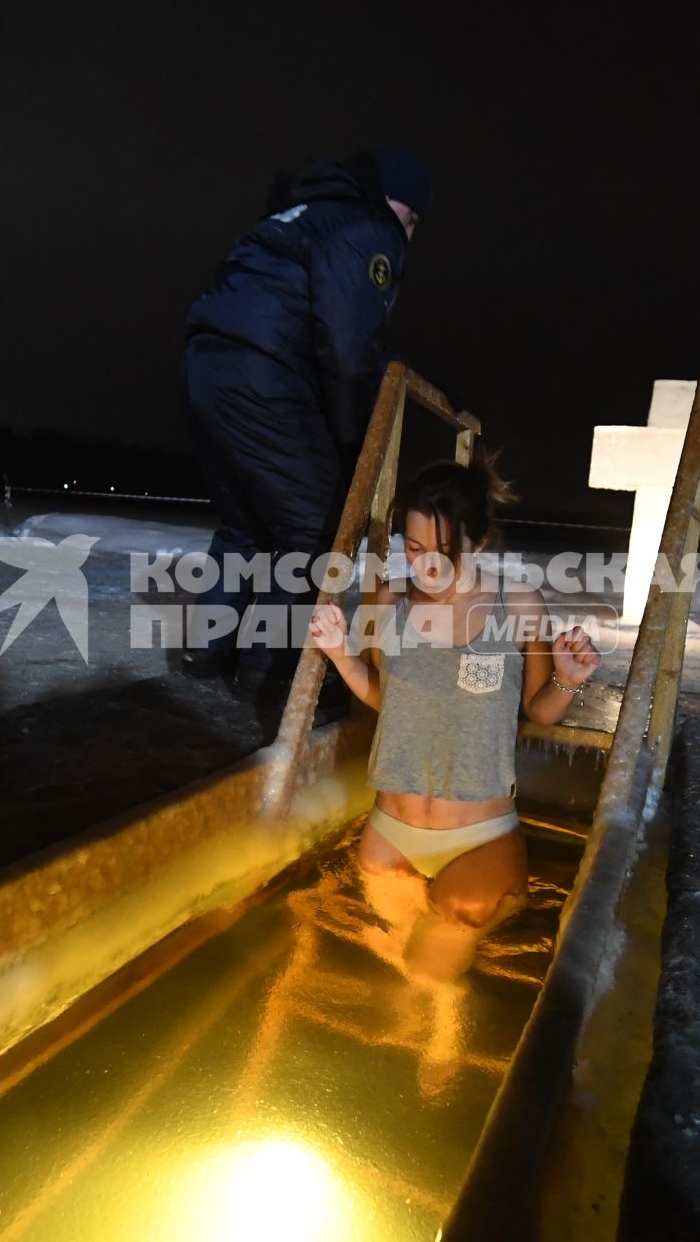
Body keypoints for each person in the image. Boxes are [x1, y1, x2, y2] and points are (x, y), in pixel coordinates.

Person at [307, 447, 602, 931]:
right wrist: (341, 654)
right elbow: (387, 697)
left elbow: (539, 711)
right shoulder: (389, 599)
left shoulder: (518, 604)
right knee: (388, 978)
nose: (428, 569)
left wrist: (566, 680)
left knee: (429, 975)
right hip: (389, 835)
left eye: (445, 554)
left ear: (480, 540)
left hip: (479, 837)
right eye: (415, 550)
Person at [181, 146, 432, 710]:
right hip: (263, 374)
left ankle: (207, 654)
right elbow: (345, 347)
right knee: (315, 535)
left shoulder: (303, 216)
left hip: (207, 365)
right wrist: (349, 440)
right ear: (393, 203)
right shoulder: (370, 227)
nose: (409, 236)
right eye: (412, 219)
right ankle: (269, 677)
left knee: (243, 527)